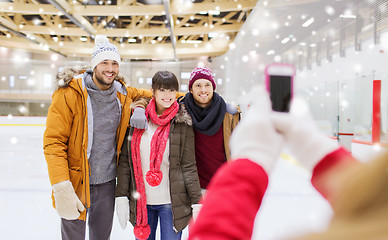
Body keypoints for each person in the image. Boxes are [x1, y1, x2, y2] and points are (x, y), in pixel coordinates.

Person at [187, 88, 377, 240]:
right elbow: (378, 204)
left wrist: (249, 162)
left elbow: (215, 234)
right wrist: (321, 153)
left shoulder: (229, 113)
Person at [43, 35, 152, 240]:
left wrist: (139, 106)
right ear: (94, 65)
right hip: (75, 182)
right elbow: (54, 143)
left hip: (107, 183)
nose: (110, 68)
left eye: (114, 63)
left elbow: (162, 94)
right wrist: (61, 185)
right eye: (104, 62)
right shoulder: (69, 94)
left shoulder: (123, 93)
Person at [115, 71, 202, 240]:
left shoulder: (182, 122)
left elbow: (189, 165)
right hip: (142, 202)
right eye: (162, 90)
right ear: (153, 91)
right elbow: (126, 162)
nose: (167, 95)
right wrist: (121, 197)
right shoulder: (137, 120)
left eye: (171, 90)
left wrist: (197, 202)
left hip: (172, 203)